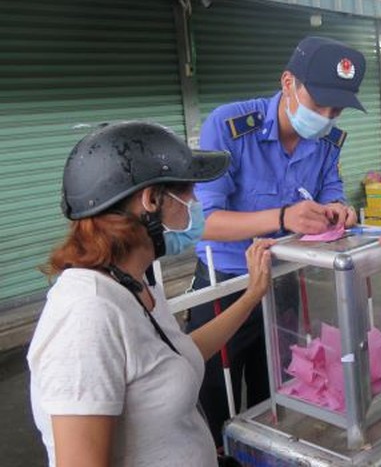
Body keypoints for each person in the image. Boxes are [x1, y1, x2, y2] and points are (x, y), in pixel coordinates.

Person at [27, 121, 274, 466]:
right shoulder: (86, 316)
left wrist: (252, 294)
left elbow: (177, 356)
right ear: (152, 199)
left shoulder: (133, 282)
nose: (197, 204)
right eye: (189, 191)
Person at [189, 36, 364, 446]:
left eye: (336, 109)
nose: (325, 116)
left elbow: (331, 192)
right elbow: (205, 222)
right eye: (317, 103)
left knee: (280, 391)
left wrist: (341, 209)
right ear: (288, 82)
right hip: (226, 286)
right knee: (219, 397)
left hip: (284, 280)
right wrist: (282, 217)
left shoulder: (327, 142)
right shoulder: (229, 127)